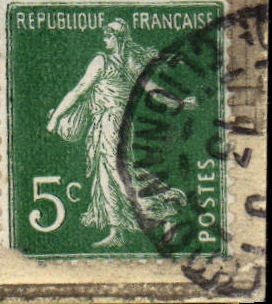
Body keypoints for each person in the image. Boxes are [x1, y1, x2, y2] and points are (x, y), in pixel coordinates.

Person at [47, 20, 194, 247]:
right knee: (105, 176)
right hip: (109, 123)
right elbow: (155, 91)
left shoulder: (102, 61)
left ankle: (165, 210)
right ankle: (116, 231)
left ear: (118, 38)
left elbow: (79, 90)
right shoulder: (132, 63)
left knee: (119, 175)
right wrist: (181, 103)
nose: (104, 40)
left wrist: (56, 117)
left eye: (108, 36)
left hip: (111, 122)